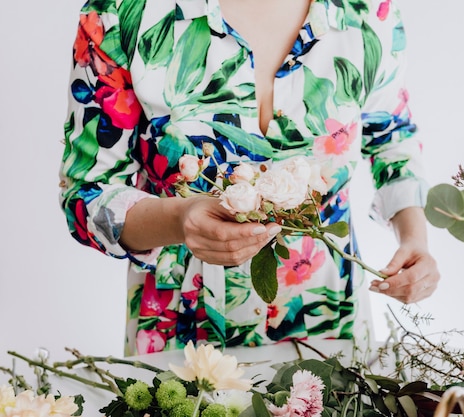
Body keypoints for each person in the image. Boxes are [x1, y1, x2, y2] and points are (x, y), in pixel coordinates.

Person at [59, 0, 440, 356]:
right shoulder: (123, 13)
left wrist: (414, 240)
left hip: (329, 320)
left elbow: (393, 138)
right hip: (179, 328)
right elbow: (86, 193)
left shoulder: (366, 12)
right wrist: (180, 220)